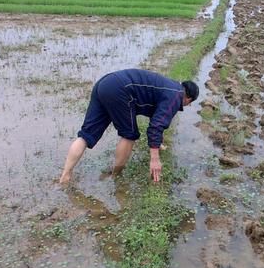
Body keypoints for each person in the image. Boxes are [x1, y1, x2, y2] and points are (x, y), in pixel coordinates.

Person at [58, 69, 199, 185]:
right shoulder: (176, 96)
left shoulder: (169, 86)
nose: (187, 105)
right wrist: (154, 159)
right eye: (189, 103)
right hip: (120, 90)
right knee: (129, 135)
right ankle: (116, 176)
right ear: (188, 99)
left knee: (86, 135)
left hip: (105, 82)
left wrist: (159, 144)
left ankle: (65, 175)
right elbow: (156, 126)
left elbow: (157, 118)